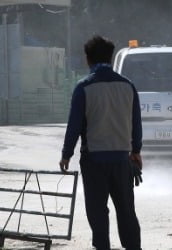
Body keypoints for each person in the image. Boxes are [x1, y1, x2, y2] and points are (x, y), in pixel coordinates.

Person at [59, 35, 143, 250]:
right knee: (126, 210)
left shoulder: (84, 88)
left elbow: (74, 125)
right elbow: (136, 123)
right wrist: (136, 151)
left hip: (94, 159)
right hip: (123, 160)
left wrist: (66, 153)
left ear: (88, 59)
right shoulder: (128, 86)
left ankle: (102, 247)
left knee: (97, 211)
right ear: (110, 57)